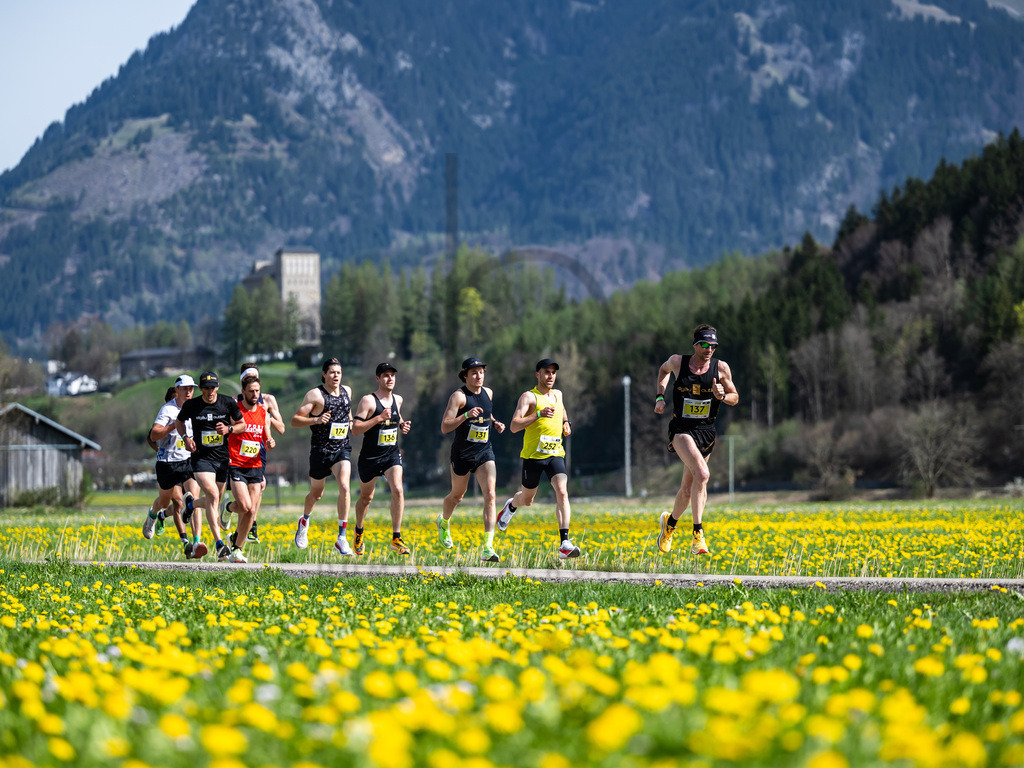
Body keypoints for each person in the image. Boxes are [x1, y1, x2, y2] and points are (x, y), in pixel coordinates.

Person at [654, 324, 739, 556]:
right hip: (681, 429)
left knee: (687, 489)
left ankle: (669, 525)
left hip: (706, 431)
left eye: (713, 346)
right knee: (703, 474)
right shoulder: (678, 362)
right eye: (704, 345)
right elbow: (663, 371)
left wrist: (723, 395)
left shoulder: (721, 368)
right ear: (695, 345)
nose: (709, 349)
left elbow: (735, 397)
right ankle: (698, 535)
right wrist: (660, 397)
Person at [497, 358, 581, 559]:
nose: (550, 376)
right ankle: (511, 505)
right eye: (546, 372)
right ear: (537, 374)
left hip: (555, 454)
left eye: (553, 372)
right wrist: (538, 414)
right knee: (527, 500)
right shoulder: (529, 397)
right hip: (533, 457)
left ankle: (564, 544)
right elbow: (514, 425)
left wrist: (566, 422)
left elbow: (561, 409)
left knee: (562, 492)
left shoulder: (558, 394)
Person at [438, 357, 506, 562]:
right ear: (465, 376)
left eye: (481, 372)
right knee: (457, 496)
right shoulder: (458, 397)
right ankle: (444, 522)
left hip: (484, 452)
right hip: (462, 454)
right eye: (474, 373)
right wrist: (465, 416)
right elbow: (445, 426)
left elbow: (487, 414)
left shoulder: (488, 393)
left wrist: (494, 423)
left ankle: (488, 548)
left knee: (491, 495)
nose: (479, 376)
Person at [175, 371, 244, 561]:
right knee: (213, 496)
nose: (210, 391)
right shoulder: (192, 405)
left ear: (218, 387)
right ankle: (219, 544)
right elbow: (179, 422)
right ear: (201, 389)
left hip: (222, 459)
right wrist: (186, 438)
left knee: (214, 501)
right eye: (206, 388)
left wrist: (229, 429)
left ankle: (191, 505)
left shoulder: (227, 403)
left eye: (213, 387)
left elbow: (242, 425)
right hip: (201, 459)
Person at [290, 357, 356, 556]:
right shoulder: (315, 395)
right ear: (324, 374)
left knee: (344, 486)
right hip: (320, 451)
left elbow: (347, 412)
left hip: (341, 449)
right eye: (332, 372)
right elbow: (295, 420)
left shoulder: (347, 391)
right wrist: (316, 420)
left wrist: (351, 423)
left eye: (339, 372)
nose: (336, 376)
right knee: (316, 494)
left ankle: (342, 537)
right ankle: (304, 521)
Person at [351, 362, 413, 556]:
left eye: (392, 375)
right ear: (378, 379)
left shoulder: (398, 399)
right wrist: (378, 418)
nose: (390, 378)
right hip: (370, 457)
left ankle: (396, 537)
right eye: (385, 375)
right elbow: (355, 429)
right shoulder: (368, 401)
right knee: (366, 498)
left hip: (391, 454)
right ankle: (359, 530)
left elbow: (397, 417)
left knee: (398, 489)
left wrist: (402, 425)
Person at [220, 361, 286, 544]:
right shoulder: (234, 402)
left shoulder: (268, 401)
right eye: (248, 380)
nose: (255, 393)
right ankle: (245, 524)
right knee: (246, 502)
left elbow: (281, 429)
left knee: (259, 488)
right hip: (237, 456)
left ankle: (246, 531)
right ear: (243, 385)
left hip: (258, 452)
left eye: (255, 379)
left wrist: (265, 417)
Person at [143, 376, 206, 559]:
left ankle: (196, 542)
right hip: (167, 463)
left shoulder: (196, 407)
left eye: (191, 389)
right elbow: (154, 435)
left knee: (194, 497)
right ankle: (153, 514)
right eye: (185, 389)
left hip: (188, 461)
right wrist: (174, 425)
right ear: (177, 390)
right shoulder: (168, 409)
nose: (189, 392)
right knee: (164, 503)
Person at [224, 373, 276, 563]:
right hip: (236, 464)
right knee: (245, 506)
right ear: (243, 392)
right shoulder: (235, 410)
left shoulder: (263, 412)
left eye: (257, 391)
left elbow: (267, 437)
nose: (255, 395)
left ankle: (236, 549)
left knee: (251, 511)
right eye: (251, 391)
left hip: (255, 465)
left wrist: (270, 442)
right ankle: (228, 507)